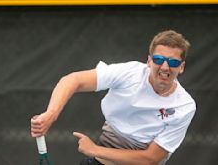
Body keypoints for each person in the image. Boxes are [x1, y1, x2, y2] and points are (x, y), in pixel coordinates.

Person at [31, 30, 196, 165]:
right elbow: (73, 80)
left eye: (173, 62)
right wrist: (51, 114)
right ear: (149, 61)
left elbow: (151, 158)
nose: (165, 67)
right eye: (159, 59)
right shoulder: (129, 73)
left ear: (181, 67)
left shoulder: (184, 106)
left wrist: (93, 150)